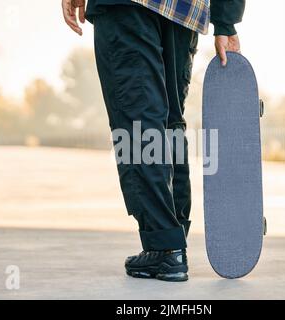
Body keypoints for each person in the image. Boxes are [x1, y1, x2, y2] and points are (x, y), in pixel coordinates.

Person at [62, 0, 246, 281]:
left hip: (127, 7)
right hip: (184, 12)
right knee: (168, 122)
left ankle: (165, 247)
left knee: (138, 123)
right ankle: (172, 237)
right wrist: (226, 21)